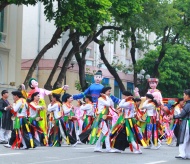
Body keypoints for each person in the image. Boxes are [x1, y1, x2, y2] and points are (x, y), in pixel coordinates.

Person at [90, 87, 117, 153]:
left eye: (110, 91)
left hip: (105, 117)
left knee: (102, 133)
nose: (110, 92)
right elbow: (108, 104)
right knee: (106, 132)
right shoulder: (100, 98)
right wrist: (107, 97)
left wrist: (108, 98)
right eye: (108, 91)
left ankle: (97, 147)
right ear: (104, 92)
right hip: (101, 118)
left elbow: (112, 105)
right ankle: (108, 148)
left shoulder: (107, 98)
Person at [174, 89, 190, 159]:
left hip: (186, 122)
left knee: (183, 138)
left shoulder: (188, 105)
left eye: (184, 95)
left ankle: (182, 154)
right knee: (188, 139)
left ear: (187, 96)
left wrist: (173, 116)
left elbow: (182, 115)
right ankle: (187, 154)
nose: (183, 97)